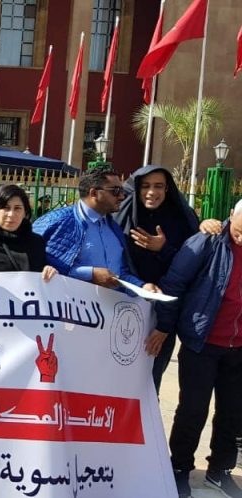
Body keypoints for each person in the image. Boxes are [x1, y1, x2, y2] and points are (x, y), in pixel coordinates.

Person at [153, 199, 242, 498]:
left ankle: (220, 470)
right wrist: (165, 326)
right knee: (192, 410)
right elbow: (174, 283)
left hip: (238, 347)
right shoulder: (207, 240)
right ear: (231, 215)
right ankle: (180, 468)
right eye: (239, 230)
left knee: (232, 411)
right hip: (201, 342)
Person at [114, 164, 203, 391]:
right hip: (121, 307)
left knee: (150, 382)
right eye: (145, 186)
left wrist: (163, 249)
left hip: (164, 312)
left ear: (167, 189)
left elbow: (191, 267)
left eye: (158, 186)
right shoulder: (119, 215)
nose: (152, 192)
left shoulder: (181, 219)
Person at [32, 167, 159, 294]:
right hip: (67, 303)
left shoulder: (114, 228)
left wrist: (142, 287)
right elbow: (35, 264)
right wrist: (90, 274)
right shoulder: (56, 221)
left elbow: (120, 274)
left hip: (108, 305)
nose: (122, 196)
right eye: (115, 191)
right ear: (94, 193)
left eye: (122, 191)